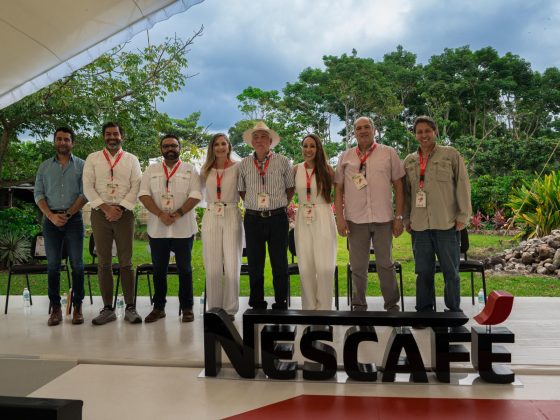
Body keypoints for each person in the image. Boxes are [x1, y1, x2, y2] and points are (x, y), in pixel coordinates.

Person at [334, 116, 404, 311]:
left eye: (367, 127)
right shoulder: (345, 157)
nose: (363, 131)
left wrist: (399, 217)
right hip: (355, 220)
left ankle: (392, 305)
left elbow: (399, 185)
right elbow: (338, 189)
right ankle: (358, 305)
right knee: (357, 266)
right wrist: (339, 218)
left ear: (374, 130)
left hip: (383, 219)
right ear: (354, 133)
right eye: (359, 128)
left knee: (385, 264)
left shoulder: (388, 153)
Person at [403, 115, 472, 313]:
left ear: (435, 132)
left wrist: (463, 215)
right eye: (419, 132)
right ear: (415, 135)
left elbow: (463, 184)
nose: (423, 135)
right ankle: (424, 311)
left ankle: (454, 311)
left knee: (451, 272)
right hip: (419, 226)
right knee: (423, 272)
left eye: (427, 131)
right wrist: (406, 218)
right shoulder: (409, 161)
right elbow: (406, 194)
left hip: (446, 224)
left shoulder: (450, 155)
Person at [83, 122, 142, 325]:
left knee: (126, 261)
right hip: (100, 213)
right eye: (108, 134)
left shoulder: (132, 159)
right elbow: (87, 186)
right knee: (104, 262)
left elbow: (136, 185)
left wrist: (121, 208)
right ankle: (107, 309)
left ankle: (130, 308)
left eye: (115, 134)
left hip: (124, 214)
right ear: (103, 136)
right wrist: (106, 208)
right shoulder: (93, 158)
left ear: (121, 136)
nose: (112, 137)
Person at [138, 134, 201, 323]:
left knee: (185, 270)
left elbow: (196, 194)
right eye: (166, 146)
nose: (170, 149)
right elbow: (143, 194)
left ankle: (187, 308)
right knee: (159, 270)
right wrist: (160, 214)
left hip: (183, 228)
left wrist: (179, 213)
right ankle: (158, 308)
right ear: (161, 149)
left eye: (173, 145)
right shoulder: (151, 170)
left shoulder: (190, 169)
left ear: (179, 148)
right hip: (158, 229)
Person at [238, 121, 295, 310]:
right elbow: (242, 190)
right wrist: (255, 205)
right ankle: (257, 302)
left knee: (280, 262)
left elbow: (290, 188)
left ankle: (281, 301)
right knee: (255, 263)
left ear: (270, 141)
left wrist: (279, 204)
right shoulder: (244, 164)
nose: (260, 140)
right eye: (256, 137)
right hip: (253, 218)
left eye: (264, 136)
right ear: (251, 142)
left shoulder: (283, 161)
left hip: (277, 218)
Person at [34, 127, 87, 326]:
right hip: (50, 221)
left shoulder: (82, 165)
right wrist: (51, 216)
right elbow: (38, 194)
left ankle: (78, 306)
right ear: (54, 141)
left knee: (78, 265)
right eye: (59, 139)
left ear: (72, 143)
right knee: (53, 266)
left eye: (66, 139)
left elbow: (85, 194)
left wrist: (68, 214)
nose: (62, 142)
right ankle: (55, 308)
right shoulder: (44, 167)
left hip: (74, 220)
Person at [201, 134, 242, 320]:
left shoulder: (238, 167)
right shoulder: (205, 170)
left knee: (232, 263)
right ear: (212, 148)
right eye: (216, 144)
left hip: (231, 211)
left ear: (229, 146)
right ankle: (215, 308)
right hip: (211, 214)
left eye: (223, 143)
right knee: (212, 264)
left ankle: (230, 309)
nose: (220, 147)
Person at [293, 134, 337, 310]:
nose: (308, 150)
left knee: (325, 266)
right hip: (303, 216)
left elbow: (340, 194)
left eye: (312, 146)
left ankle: (324, 308)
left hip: (323, 215)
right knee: (306, 265)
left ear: (318, 149)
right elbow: (287, 195)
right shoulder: (296, 169)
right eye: (305, 146)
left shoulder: (328, 170)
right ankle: (309, 307)